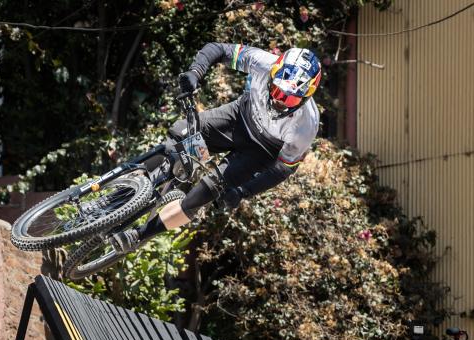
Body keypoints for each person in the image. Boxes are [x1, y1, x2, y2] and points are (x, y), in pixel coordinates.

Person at [111, 43, 322, 253]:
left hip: (261, 150)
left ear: (305, 98)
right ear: (274, 72)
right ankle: (126, 188)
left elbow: (283, 169)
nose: (280, 100)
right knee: (180, 134)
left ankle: (139, 235)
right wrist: (195, 73)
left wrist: (243, 191)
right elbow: (219, 49)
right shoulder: (263, 63)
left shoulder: (306, 125)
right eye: (277, 89)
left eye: (291, 98)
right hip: (238, 119)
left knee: (208, 190)